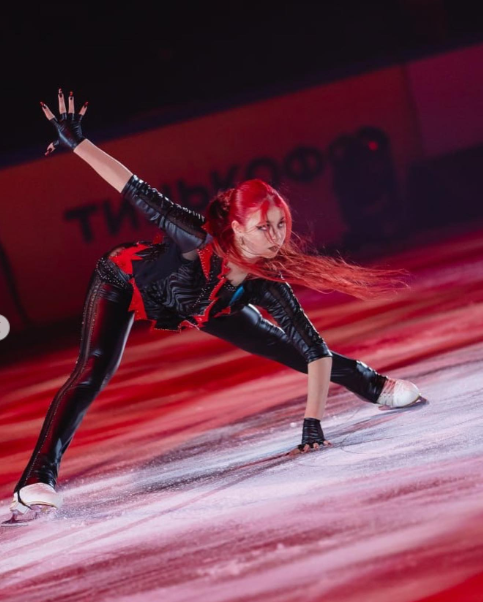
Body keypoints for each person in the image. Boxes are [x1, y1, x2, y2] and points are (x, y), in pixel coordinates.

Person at [5, 89, 421, 524]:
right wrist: (78, 143)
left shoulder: (266, 279)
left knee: (284, 345)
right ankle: (35, 480)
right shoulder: (195, 237)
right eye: (264, 227)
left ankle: (373, 385)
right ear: (237, 228)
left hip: (209, 306)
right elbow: (131, 186)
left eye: (280, 224)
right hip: (124, 282)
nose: (276, 236)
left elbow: (313, 349)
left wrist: (312, 423)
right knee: (93, 370)